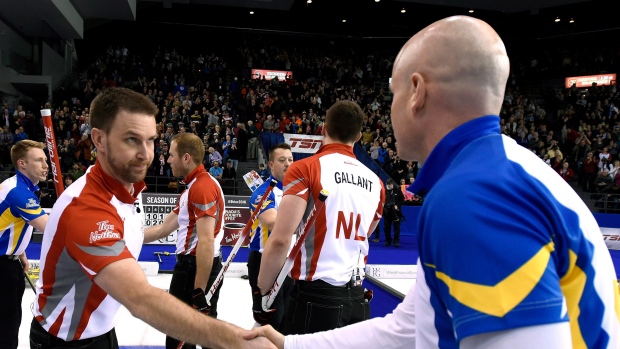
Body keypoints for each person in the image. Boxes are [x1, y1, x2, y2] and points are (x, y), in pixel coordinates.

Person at [252, 15, 620, 349]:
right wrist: (292, 346)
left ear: (417, 91)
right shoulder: (510, 174)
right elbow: (408, 327)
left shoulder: (473, 196)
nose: (388, 109)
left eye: (392, 93)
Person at [31, 88, 275, 349]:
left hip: (99, 329)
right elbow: (140, 298)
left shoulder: (129, 188)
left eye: (150, 140)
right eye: (132, 140)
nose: (146, 154)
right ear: (99, 140)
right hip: (67, 340)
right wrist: (236, 340)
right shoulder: (86, 208)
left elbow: (151, 237)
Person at [257, 100, 385, 335]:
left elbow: (280, 239)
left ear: (323, 129)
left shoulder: (306, 168)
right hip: (357, 297)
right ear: (358, 136)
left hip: (316, 297)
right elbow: (366, 233)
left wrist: (263, 293)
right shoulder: (376, 183)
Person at [144, 132, 226, 349]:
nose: (168, 160)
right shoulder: (192, 188)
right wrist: (124, 239)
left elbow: (206, 241)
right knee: (200, 331)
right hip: (194, 266)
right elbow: (163, 229)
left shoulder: (202, 187)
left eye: (171, 155)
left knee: (181, 333)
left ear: (186, 158)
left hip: (194, 268)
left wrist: (198, 289)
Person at [0, 140, 49, 349]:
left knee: (9, 322)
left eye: (45, 160)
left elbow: (11, 223)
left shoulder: (20, 186)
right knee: (6, 326)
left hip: (9, 262)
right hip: (2, 268)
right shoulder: (19, 192)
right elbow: (52, 229)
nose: (45, 165)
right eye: (39, 160)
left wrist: (20, 252)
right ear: (22, 164)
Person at [247, 143, 294, 332]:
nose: (288, 164)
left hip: (288, 260)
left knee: (287, 320)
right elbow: (273, 223)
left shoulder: (295, 192)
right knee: (271, 320)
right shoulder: (263, 192)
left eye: (290, 160)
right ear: (271, 165)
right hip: (265, 261)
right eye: (282, 160)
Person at [382, 178, 404, 247]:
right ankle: (388, 240)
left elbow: (402, 199)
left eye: (390, 184)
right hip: (387, 212)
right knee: (386, 227)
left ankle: (396, 241)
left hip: (396, 212)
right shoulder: (385, 191)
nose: (388, 186)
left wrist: (397, 205)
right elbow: (382, 200)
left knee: (397, 227)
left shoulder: (397, 190)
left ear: (392, 184)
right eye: (387, 185)